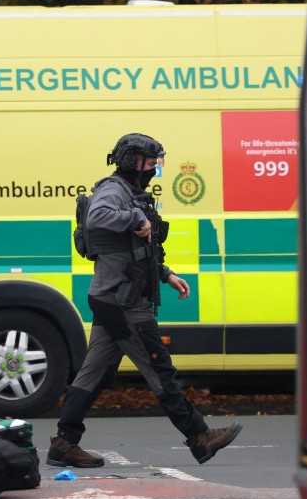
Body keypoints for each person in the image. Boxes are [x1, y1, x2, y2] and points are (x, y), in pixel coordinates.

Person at [48, 133, 243, 467]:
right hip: (123, 303)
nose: (155, 170)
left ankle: (64, 443)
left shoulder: (131, 192)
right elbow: (97, 216)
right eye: (152, 164)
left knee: (92, 375)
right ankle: (199, 437)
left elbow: (139, 251)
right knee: (159, 370)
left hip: (112, 298)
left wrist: (166, 274)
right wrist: (134, 218)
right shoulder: (113, 190)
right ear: (133, 162)